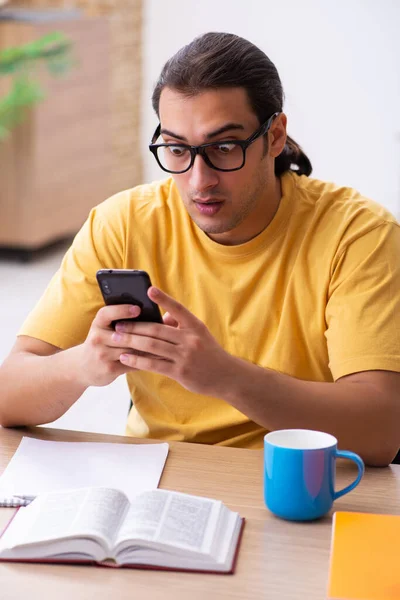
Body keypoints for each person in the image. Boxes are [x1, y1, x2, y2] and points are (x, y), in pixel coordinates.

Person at [0, 32, 399, 466]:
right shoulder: (123, 223)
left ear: (276, 136)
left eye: (224, 148)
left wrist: (227, 378)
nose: (199, 180)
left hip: (296, 480)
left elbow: (382, 432)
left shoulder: (358, 234)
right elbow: (8, 395)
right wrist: (81, 365)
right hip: (160, 479)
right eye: (176, 149)